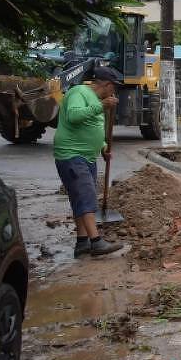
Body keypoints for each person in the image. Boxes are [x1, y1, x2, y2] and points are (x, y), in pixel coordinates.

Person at [54, 66, 126, 257]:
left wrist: (102, 147)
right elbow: (74, 116)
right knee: (86, 197)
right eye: (114, 88)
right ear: (107, 85)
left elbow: (92, 126)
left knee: (80, 198)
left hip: (86, 156)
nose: (114, 92)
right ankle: (96, 242)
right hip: (71, 155)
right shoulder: (79, 92)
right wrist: (101, 106)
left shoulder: (95, 100)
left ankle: (82, 242)